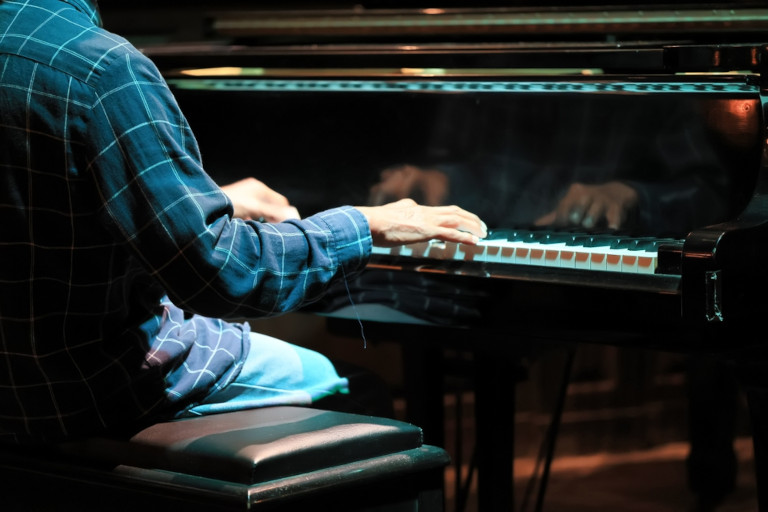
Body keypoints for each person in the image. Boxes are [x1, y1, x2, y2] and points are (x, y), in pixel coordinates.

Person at [0, 0, 487, 445]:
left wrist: (196, 205)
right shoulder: (100, 68)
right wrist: (363, 224)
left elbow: (38, 217)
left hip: (18, 389)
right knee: (354, 389)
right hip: (92, 389)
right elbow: (222, 277)